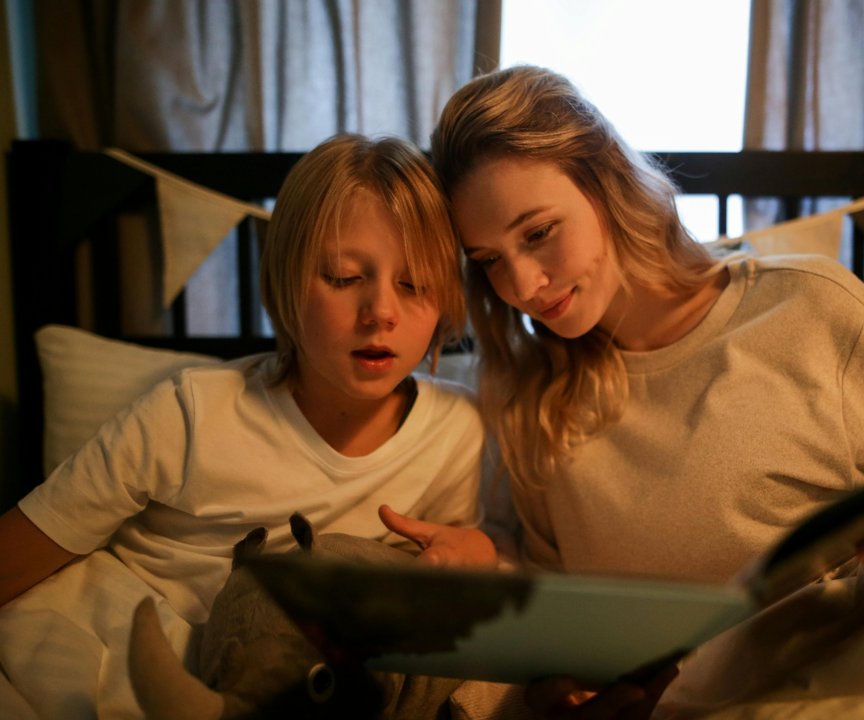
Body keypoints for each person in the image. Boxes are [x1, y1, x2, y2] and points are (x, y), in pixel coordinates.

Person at [426, 65, 864, 717]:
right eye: (489, 261)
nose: (521, 286)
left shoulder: (809, 311)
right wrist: (555, 682)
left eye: (538, 233)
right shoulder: (529, 393)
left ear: (605, 180)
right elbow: (557, 608)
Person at [0, 133, 495, 718]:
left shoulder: (457, 431)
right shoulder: (190, 412)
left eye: (414, 285)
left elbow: (452, 570)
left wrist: (479, 551)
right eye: (342, 277)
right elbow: (21, 549)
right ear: (286, 282)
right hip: (127, 651)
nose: (381, 312)